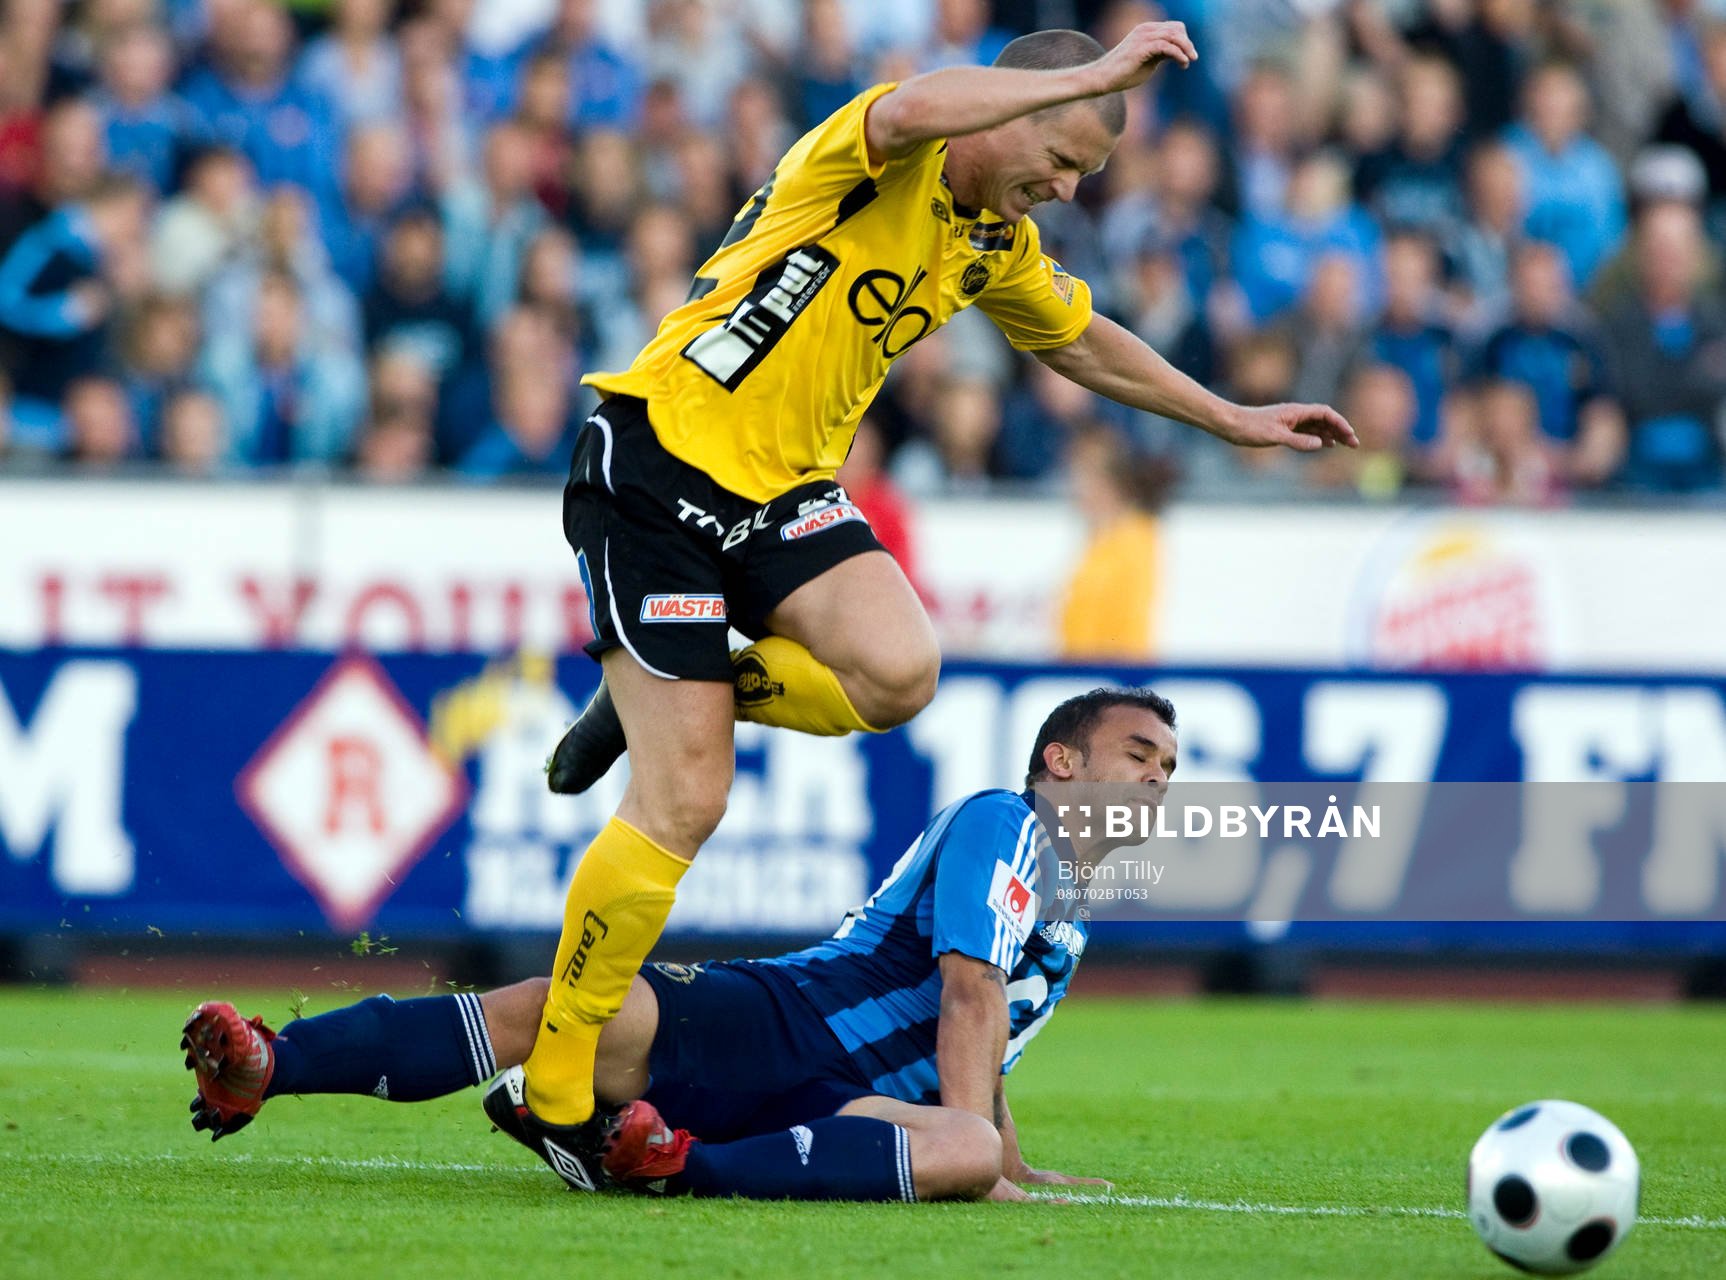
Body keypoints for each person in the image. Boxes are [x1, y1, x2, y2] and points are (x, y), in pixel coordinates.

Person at [527, 22, 1353, 1175]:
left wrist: (1232, 419)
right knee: (689, 797)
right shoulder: (879, 156)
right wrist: (1095, 72)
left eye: (1085, 176)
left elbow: (1085, 343)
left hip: (781, 491)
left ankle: (663, 688)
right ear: (1013, 110)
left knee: (899, 670)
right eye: (1061, 158)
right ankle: (559, 1085)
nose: (1066, 189)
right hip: (661, 458)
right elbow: (915, 104)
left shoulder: (992, 241)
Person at [181, 688, 1179, 1201]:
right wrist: (988, 1163)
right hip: (785, 1019)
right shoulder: (1010, 821)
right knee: (560, 1009)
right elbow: (968, 992)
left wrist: (1006, 1158)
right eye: (1138, 754)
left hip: (848, 1106)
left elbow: (987, 1034)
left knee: (961, 1144)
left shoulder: (1071, 897)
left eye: (1169, 767)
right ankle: (272, 1063)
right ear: (1061, 761)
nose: (1157, 779)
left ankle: (655, 1158)